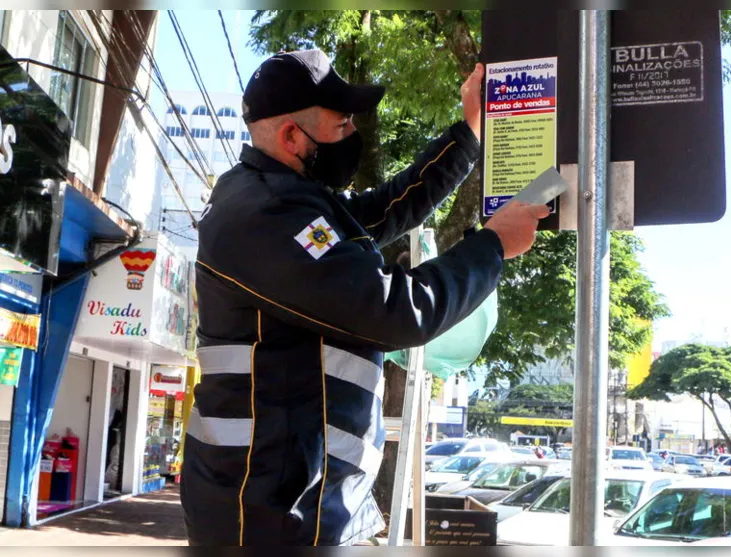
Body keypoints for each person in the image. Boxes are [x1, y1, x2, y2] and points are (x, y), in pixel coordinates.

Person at [180, 49, 549, 547]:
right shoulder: (263, 214)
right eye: (341, 123)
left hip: (298, 503)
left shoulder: (290, 199)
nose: (352, 133)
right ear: (291, 136)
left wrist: (471, 130)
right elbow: (397, 313)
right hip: (271, 515)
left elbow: (391, 207)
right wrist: (492, 245)